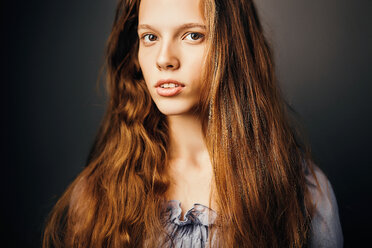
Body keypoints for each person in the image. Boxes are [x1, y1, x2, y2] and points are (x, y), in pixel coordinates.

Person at [42, 0, 343, 247]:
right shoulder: (99, 192)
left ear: (232, 47)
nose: (164, 59)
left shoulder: (302, 193)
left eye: (192, 35)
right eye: (150, 37)